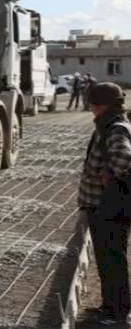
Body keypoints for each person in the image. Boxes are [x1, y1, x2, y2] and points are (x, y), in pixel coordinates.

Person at [79, 82, 131, 326]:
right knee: (107, 258)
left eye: (92, 103)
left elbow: (123, 157)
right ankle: (110, 306)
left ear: (102, 105)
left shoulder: (115, 128)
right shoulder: (108, 124)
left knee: (112, 259)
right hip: (102, 206)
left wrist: (108, 173)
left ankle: (117, 312)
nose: (90, 107)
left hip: (107, 207)